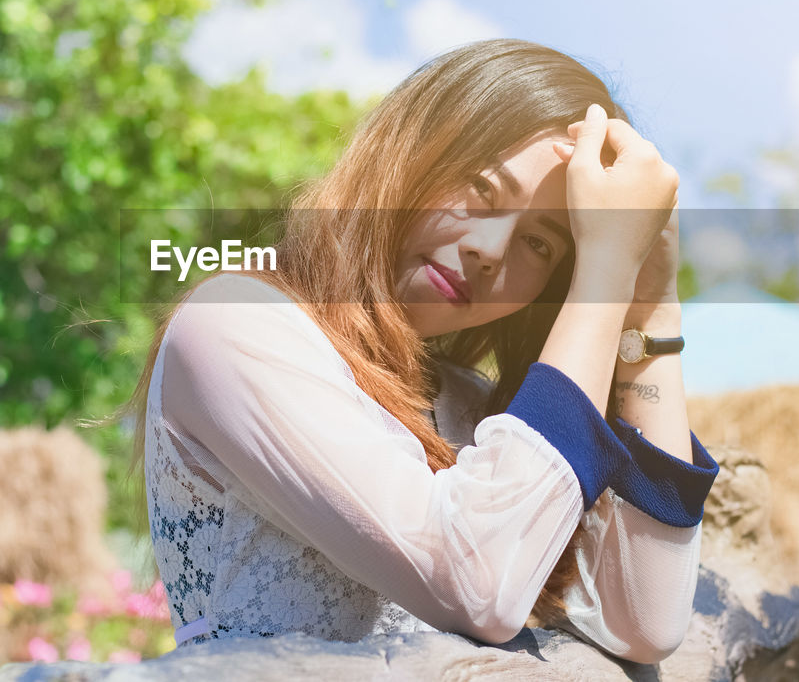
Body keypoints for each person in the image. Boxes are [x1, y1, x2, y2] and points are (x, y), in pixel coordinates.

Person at [121, 39, 719, 663]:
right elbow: (475, 586)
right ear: (406, 152)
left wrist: (651, 305)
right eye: (484, 190)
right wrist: (605, 272)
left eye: (541, 245)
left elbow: (644, 621)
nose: (490, 249)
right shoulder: (239, 324)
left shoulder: (475, 409)